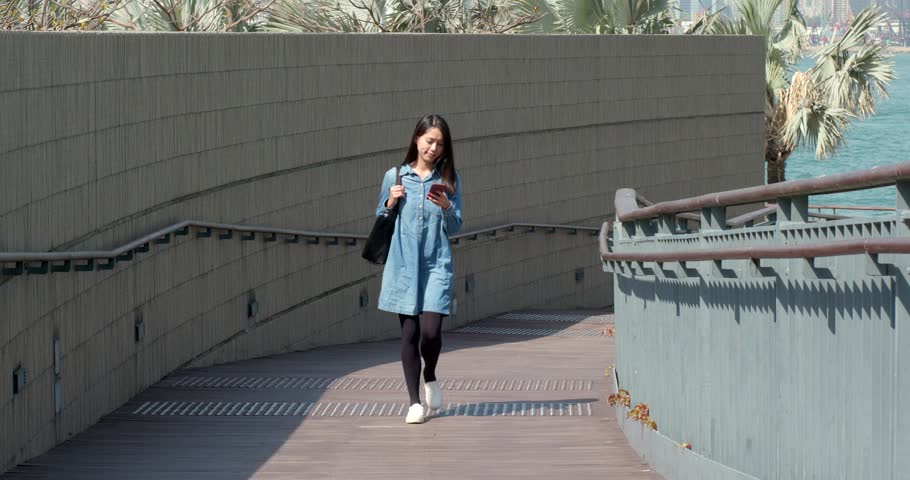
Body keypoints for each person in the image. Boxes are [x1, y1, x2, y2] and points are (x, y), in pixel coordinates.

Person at [375, 114, 462, 424]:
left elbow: (456, 226)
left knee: (431, 332)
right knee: (409, 333)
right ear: (417, 139)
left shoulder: (449, 179)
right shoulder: (395, 176)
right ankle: (414, 402)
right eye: (429, 141)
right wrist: (390, 203)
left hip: (436, 262)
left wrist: (447, 207)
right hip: (403, 264)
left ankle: (431, 374)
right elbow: (380, 215)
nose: (434, 148)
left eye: (439, 144)